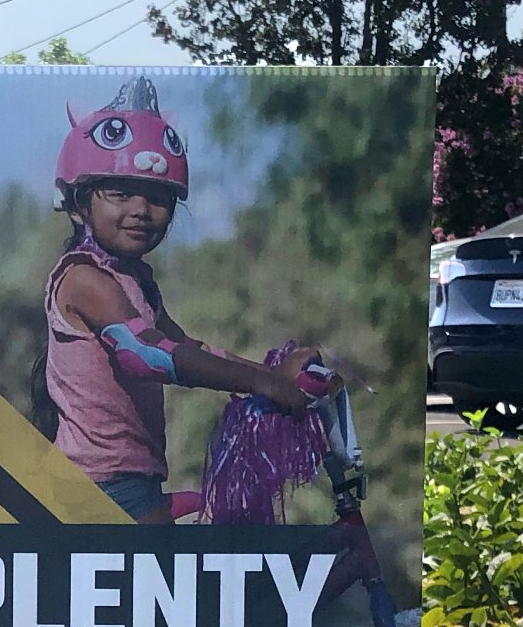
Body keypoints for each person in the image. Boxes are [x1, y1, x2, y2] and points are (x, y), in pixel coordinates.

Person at [32, 75, 336, 522]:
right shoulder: (83, 278)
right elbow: (146, 354)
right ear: (78, 205)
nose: (140, 209)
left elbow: (188, 348)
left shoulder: (136, 280)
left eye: (158, 198)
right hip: (96, 488)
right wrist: (260, 383)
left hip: (134, 481)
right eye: (119, 193)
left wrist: (272, 375)